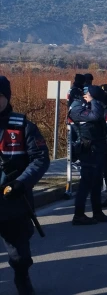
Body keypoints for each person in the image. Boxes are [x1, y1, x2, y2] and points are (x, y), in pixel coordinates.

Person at [0, 76, 50, 295]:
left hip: (13, 201)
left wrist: (22, 182)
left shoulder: (23, 127)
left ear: (6, 98)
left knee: (19, 255)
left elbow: (40, 158)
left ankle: (22, 279)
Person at [68, 85, 107, 225]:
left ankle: (97, 212)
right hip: (88, 150)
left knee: (97, 182)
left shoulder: (90, 105)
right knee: (85, 184)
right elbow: (96, 116)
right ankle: (78, 215)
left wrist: (94, 101)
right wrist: (94, 101)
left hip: (97, 148)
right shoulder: (76, 109)